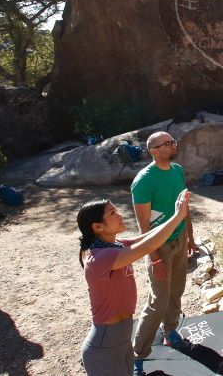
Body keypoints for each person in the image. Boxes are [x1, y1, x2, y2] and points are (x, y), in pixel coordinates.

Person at [78, 191, 189, 376]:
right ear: (98, 226)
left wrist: (176, 216)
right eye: (113, 213)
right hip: (104, 348)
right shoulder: (100, 258)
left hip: (122, 341)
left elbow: (145, 238)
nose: (120, 215)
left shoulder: (115, 245)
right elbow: (148, 246)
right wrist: (178, 216)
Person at [131, 132, 196, 374]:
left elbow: (184, 206)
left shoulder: (177, 170)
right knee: (158, 300)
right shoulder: (144, 181)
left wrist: (189, 236)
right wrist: (154, 257)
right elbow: (144, 227)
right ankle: (138, 355)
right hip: (159, 246)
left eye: (173, 142)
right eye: (167, 144)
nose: (173, 145)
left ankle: (170, 331)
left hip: (179, 239)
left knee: (176, 290)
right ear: (154, 151)